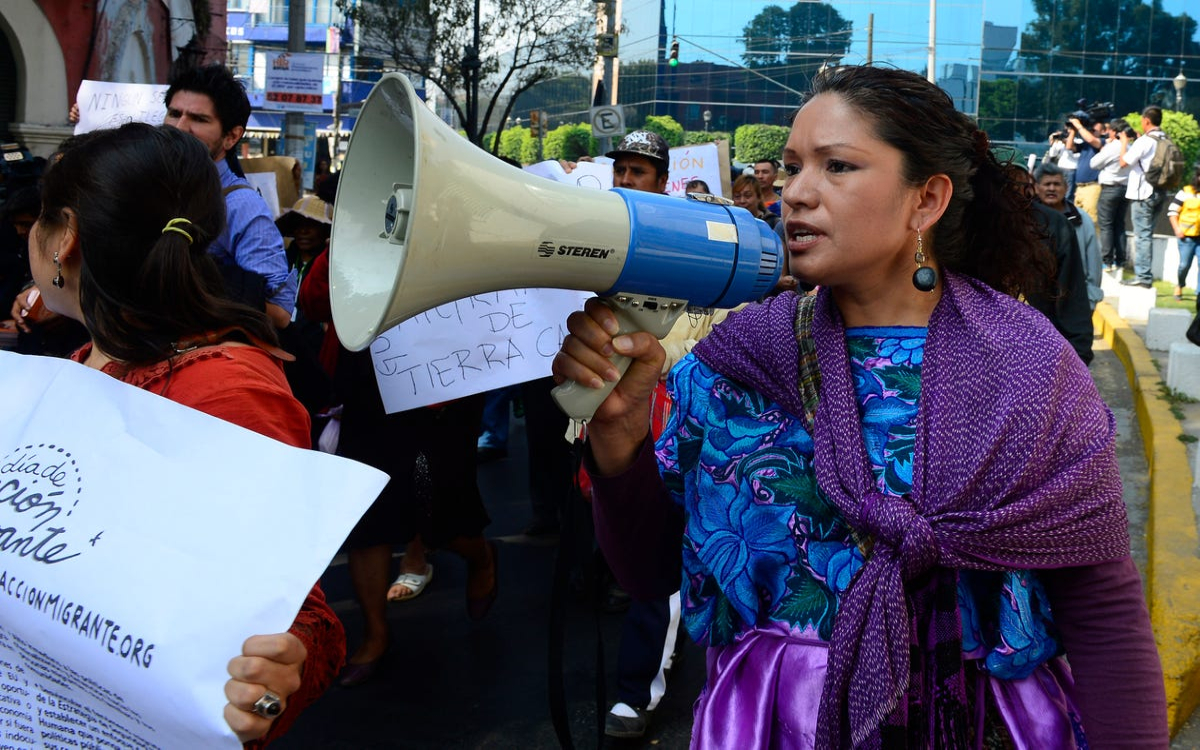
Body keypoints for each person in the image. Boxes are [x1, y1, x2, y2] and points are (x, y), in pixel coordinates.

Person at [554, 66, 1167, 747]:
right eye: (792, 167)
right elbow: (647, 571)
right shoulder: (736, 363)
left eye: (837, 166)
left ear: (926, 199)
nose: (796, 192)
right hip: (774, 725)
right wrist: (619, 441)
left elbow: (1103, 611)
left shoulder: (1029, 367)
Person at [23, 123, 344, 746]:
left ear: (66, 238)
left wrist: (271, 679)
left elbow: (297, 617)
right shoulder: (89, 357)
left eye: (40, 214)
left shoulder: (223, 392)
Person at [599, 129, 686, 739]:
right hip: (613, 417)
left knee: (662, 564)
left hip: (674, 420)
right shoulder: (599, 235)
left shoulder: (690, 240)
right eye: (621, 170)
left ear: (662, 181)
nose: (627, 180)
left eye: (639, 171)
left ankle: (637, 690)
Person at [1035, 162, 1103, 310]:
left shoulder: (1082, 220)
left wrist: (1090, 300)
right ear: (1036, 188)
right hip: (1036, 303)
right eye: (1047, 184)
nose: (1052, 188)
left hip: (1074, 302)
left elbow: (1094, 263)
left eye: (1057, 184)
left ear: (1066, 188)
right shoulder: (1028, 219)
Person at [1120, 105, 1168, 288]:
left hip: (1143, 193)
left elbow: (1123, 162)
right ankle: (1144, 274)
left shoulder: (1145, 141)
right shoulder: (1164, 138)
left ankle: (1143, 277)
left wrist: (1124, 142)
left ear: (1146, 120)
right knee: (1147, 234)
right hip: (1160, 191)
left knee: (1142, 236)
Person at [1090, 118, 1133, 271]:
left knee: (1106, 225)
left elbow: (1093, 163)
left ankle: (1107, 261)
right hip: (1125, 189)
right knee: (1119, 225)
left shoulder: (1113, 147)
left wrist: (1104, 148)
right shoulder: (1130, 147)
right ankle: (1121, 260)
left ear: (1114, 132)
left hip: (1110, 188)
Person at [1167, 164, 1200, 301]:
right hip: (1186, 237)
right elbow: (1172, 212)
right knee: (1184, 265)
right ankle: (1180, 284)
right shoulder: (1185, 192)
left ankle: (1199, 294)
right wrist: (1177, 229)